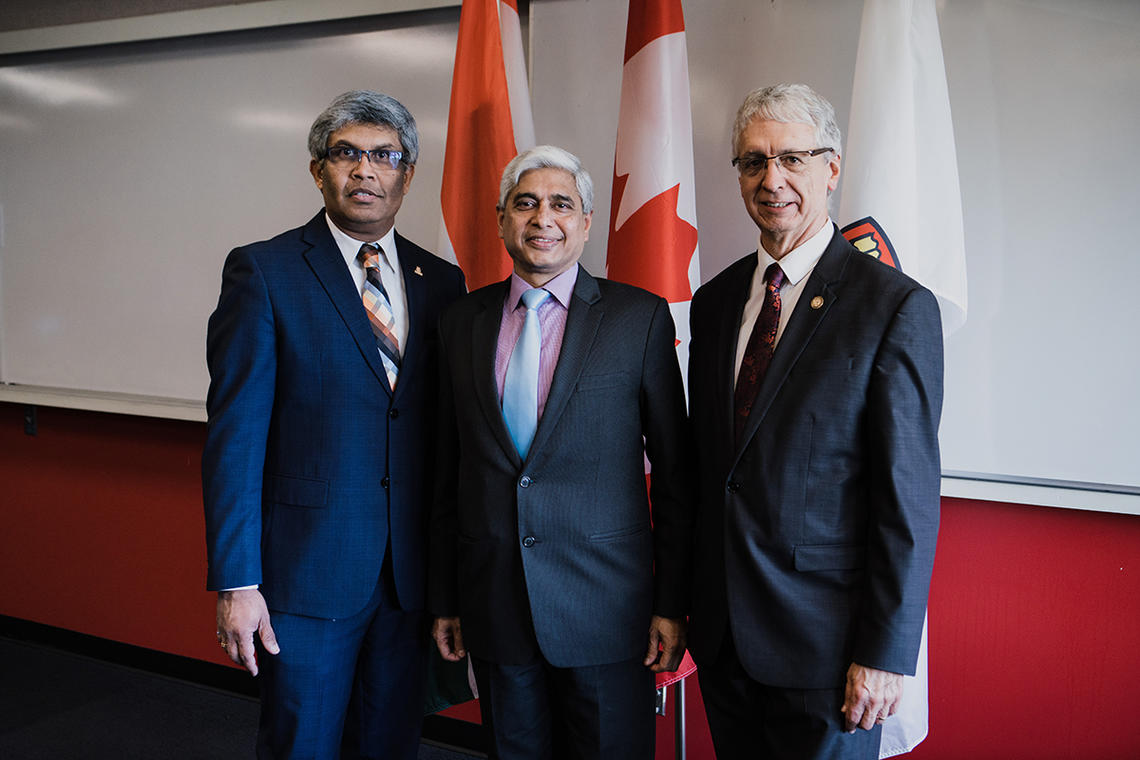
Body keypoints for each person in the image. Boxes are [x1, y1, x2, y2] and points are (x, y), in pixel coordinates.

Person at [203, 90, 466, 759]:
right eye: (346, 154)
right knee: (303, 747)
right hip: (305, 578)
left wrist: (454, 579)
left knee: (389, 745)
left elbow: (448, 439)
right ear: (317, 170)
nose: (365, 171)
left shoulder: (442, 283)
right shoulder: (264, 272)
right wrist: (238, 582)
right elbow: (235, 438)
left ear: (408, 172)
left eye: (384, 156)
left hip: (408, 581)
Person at [687, 83, 943, 759]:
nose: (772, 181)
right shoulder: (713, 303)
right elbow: (708, 471)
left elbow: (906, 499)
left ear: (832, 168)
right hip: (723, 641)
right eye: (753, 161)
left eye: (793, 159)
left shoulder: (894, 306)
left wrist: (886, 654)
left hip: (828, 654)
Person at [429, 145, 693, 760]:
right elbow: (447, 472)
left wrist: (672, 603)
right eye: (526, 203)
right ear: (501, 219)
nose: (542, 218)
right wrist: (446, 597)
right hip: (494, 600)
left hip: (607, 608)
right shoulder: (460, 322)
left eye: (561, 204)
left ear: (586, 221)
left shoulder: (640, 318)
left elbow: (677, 476)